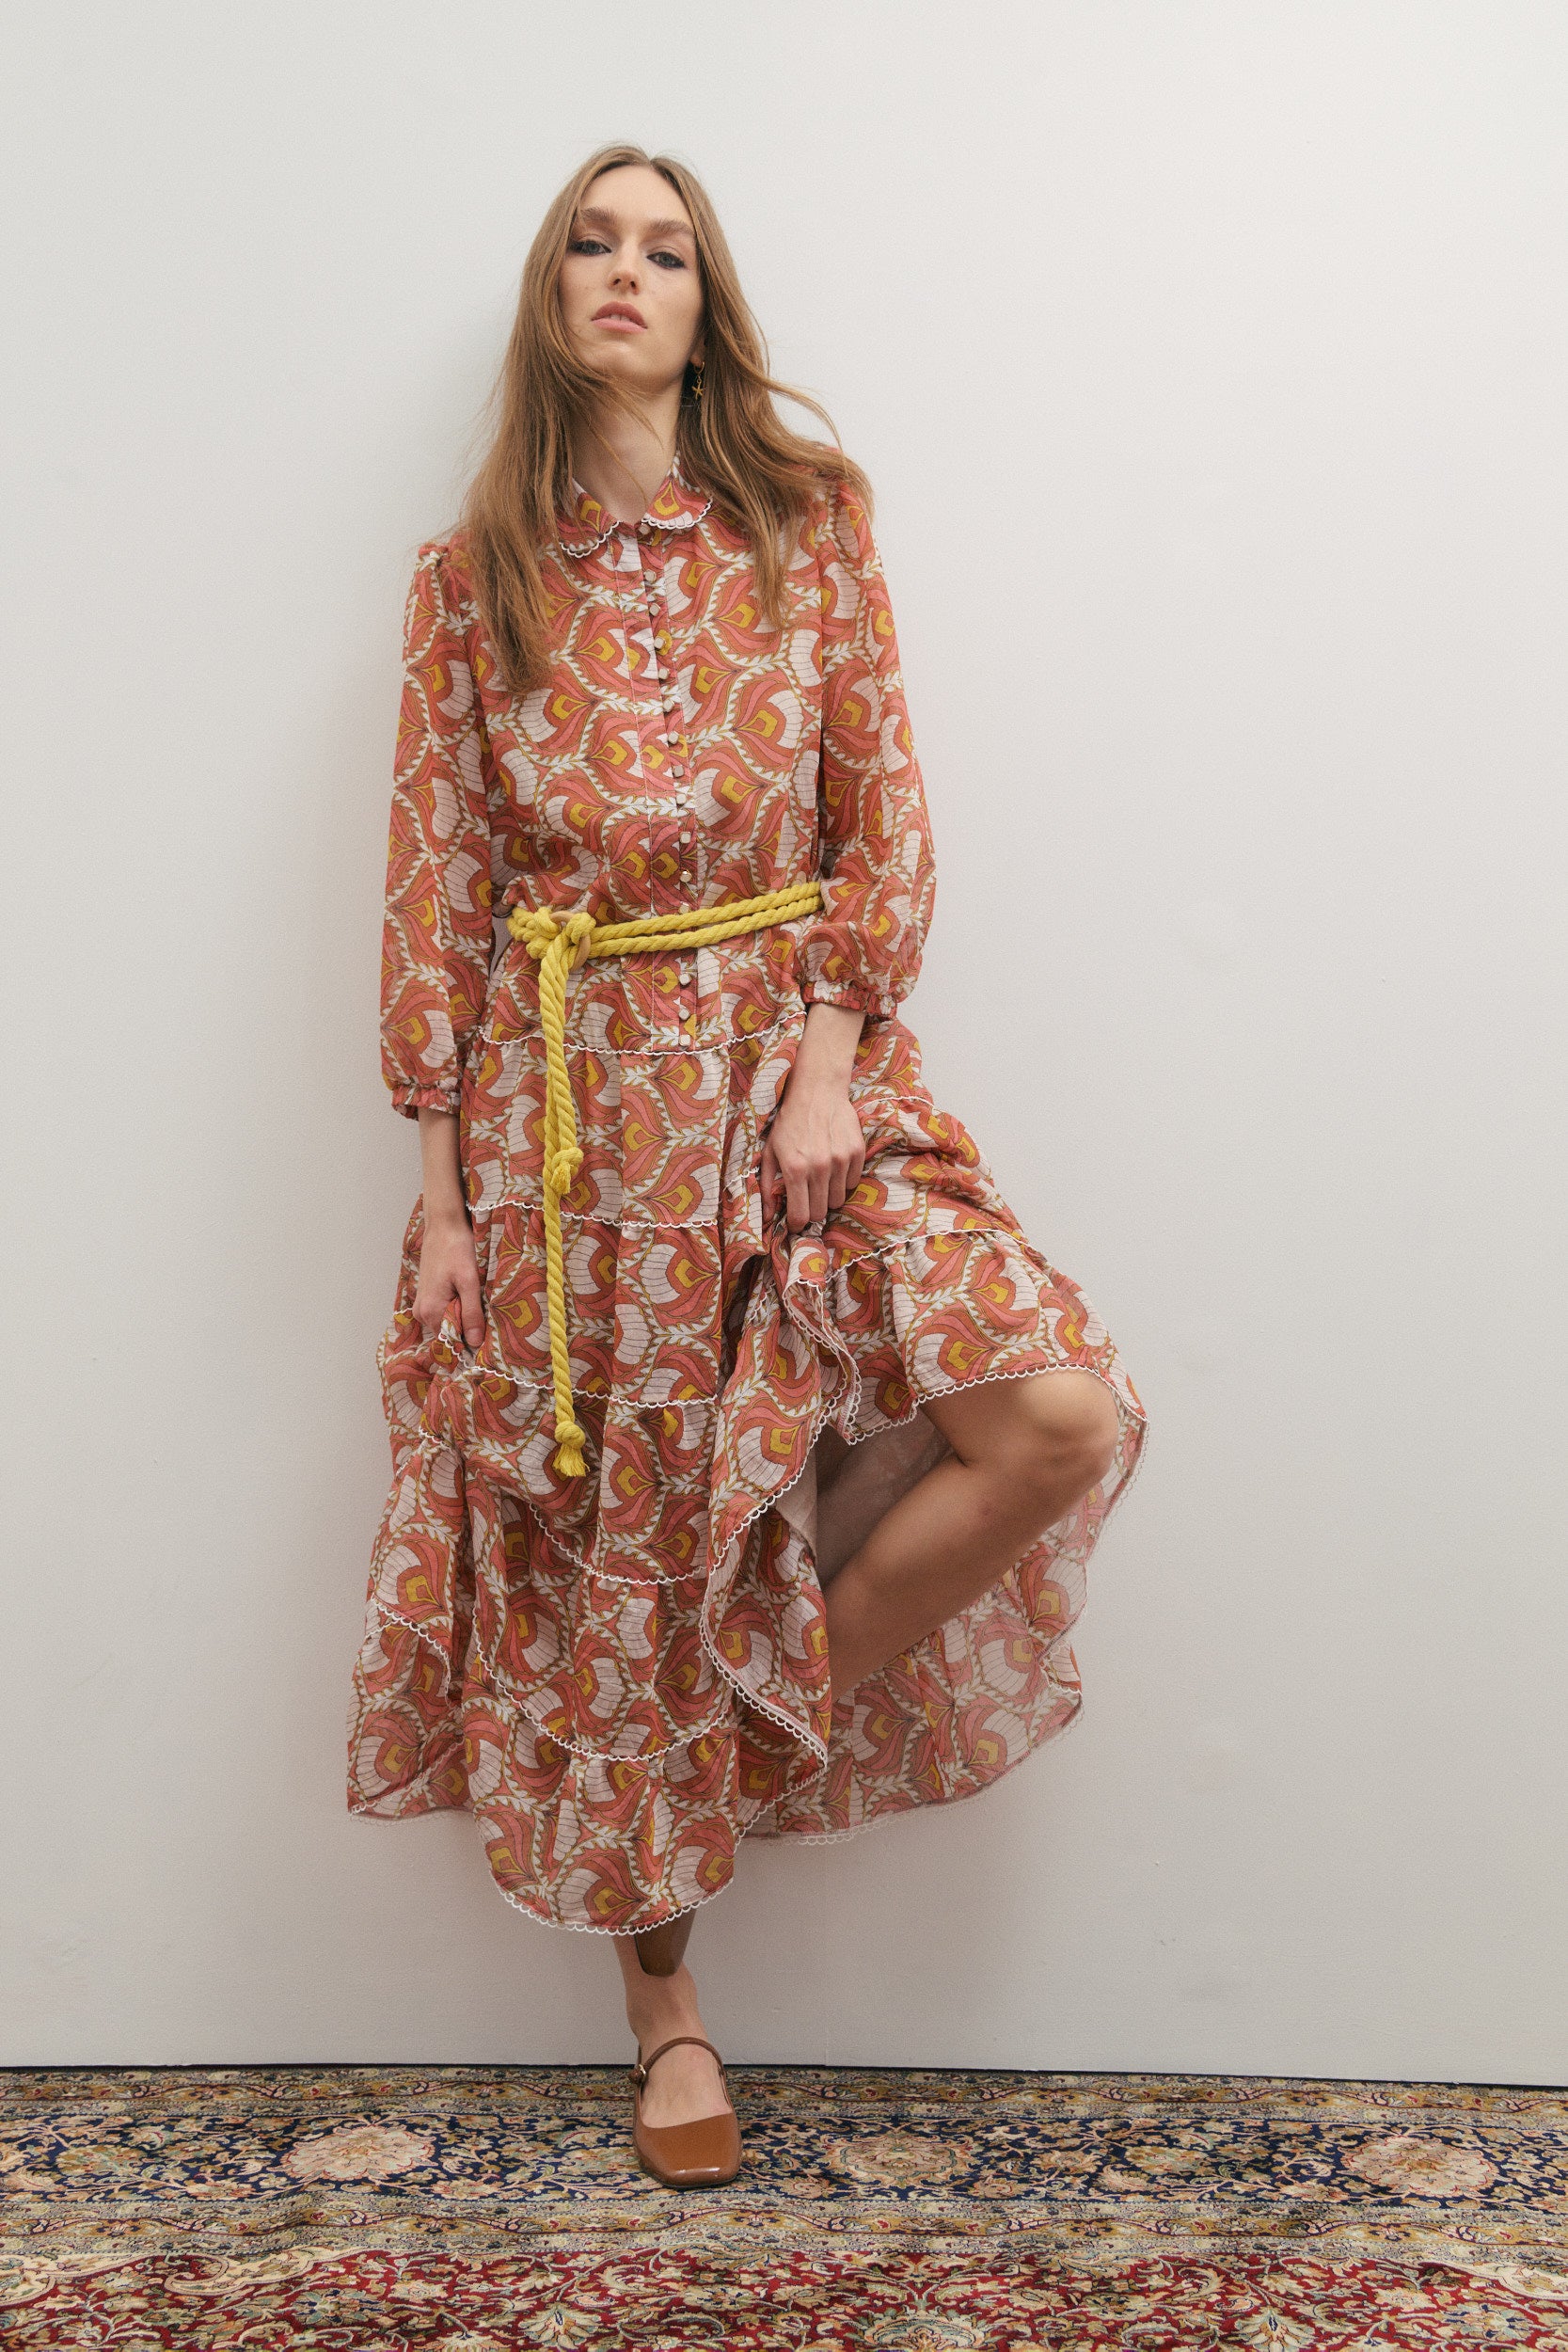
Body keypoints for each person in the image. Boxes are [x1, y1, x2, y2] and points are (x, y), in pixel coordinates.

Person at [346, 141, 1148, 2188]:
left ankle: (717, 1737)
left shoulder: (808, 526)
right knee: (622, 1549)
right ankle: (667, 2006)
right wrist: (445, 1197)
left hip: (788, 1081)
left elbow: (884, 824)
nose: (628, 273)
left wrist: (821, 1067)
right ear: (552, 299)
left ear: (712, 301)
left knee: (1055, 1411)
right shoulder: (471, 577)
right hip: (563, 1119)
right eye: (593, 245)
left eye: (669, 248)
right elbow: (435, 888)